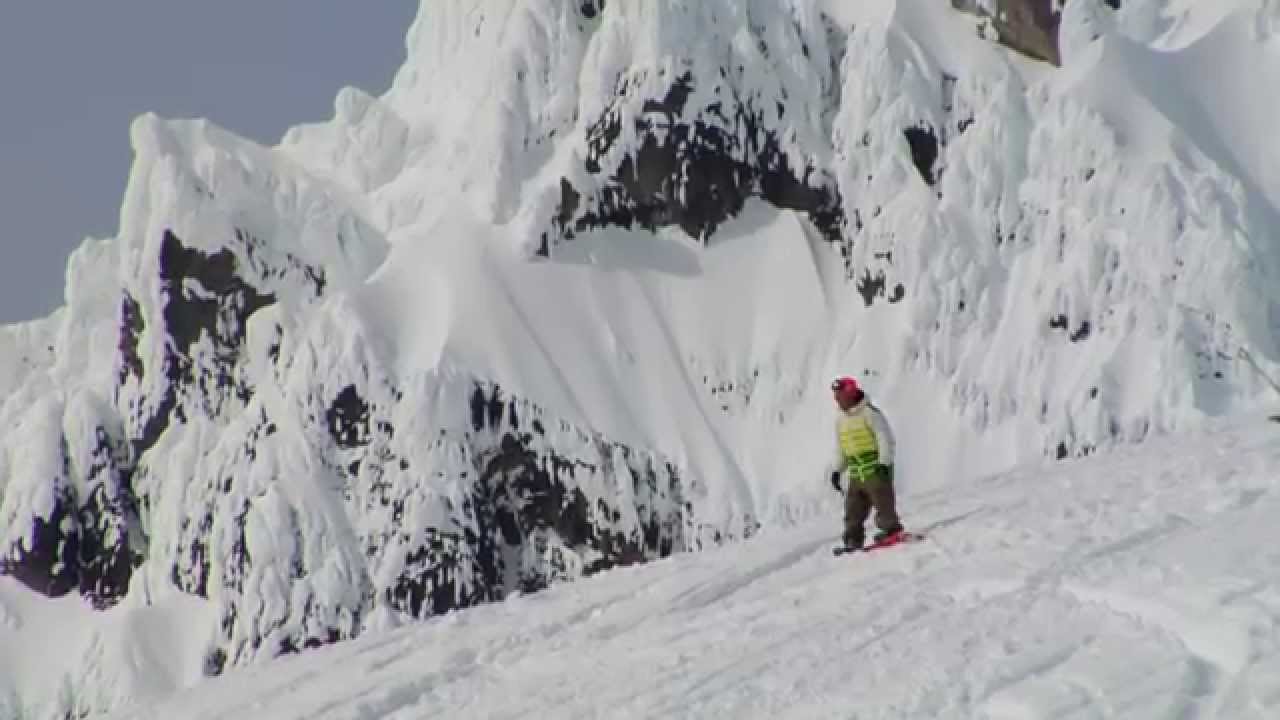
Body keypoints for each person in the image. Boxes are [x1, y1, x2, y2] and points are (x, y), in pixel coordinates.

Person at [827, 376, 904, 551]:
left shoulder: (870, 414)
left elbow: (885, 439)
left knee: (882, 501)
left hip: (875, 468)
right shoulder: (841, 421)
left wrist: (884, 464)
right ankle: (853, 539)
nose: (837, 400)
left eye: (840, 396)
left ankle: (891, 529)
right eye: (836, 396)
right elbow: (842, 448)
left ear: (850, 394)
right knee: (853, 508)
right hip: (856, 472)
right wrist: (837, 470)